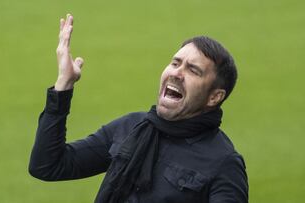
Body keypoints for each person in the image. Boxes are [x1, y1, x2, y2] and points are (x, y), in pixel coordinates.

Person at [29, 14, 248, 203]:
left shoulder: (224, 163)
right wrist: (63, 86)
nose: (176, 73)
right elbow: (48, 165)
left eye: (193, 70)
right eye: (175, 63)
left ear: (214, 97)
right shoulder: (132, 127)